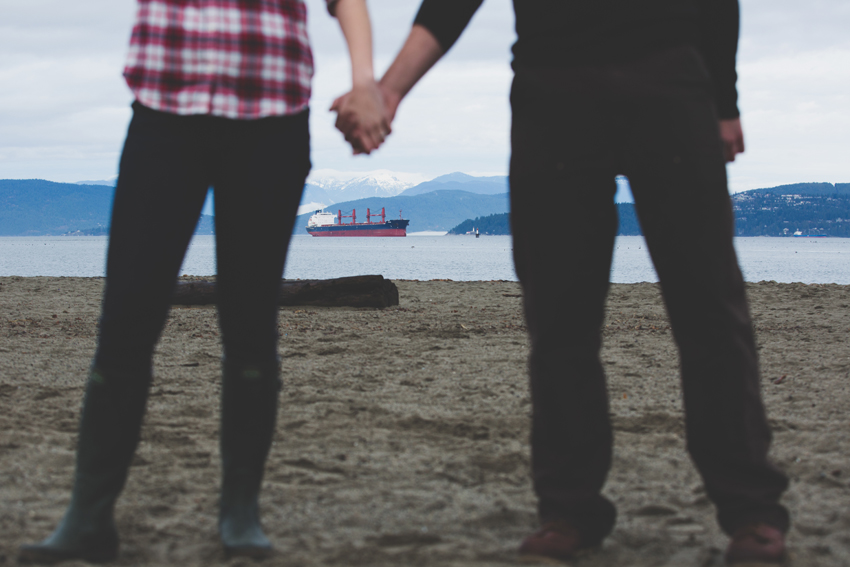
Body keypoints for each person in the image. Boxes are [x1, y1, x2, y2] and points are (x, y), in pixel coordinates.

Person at [334, 1, 790, 564]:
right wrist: (392, 89)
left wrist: (726, 102)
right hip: (552, 93)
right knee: (558, 320)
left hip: (670, 79)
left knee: (710, 307)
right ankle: (569, 510)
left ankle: (751, 510)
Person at [19, 0, 386, 563]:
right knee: (125, 320)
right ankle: (88, 516)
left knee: (250, 325)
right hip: (165, 112)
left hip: (271, 116)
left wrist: (366, 83)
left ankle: (240, 512)